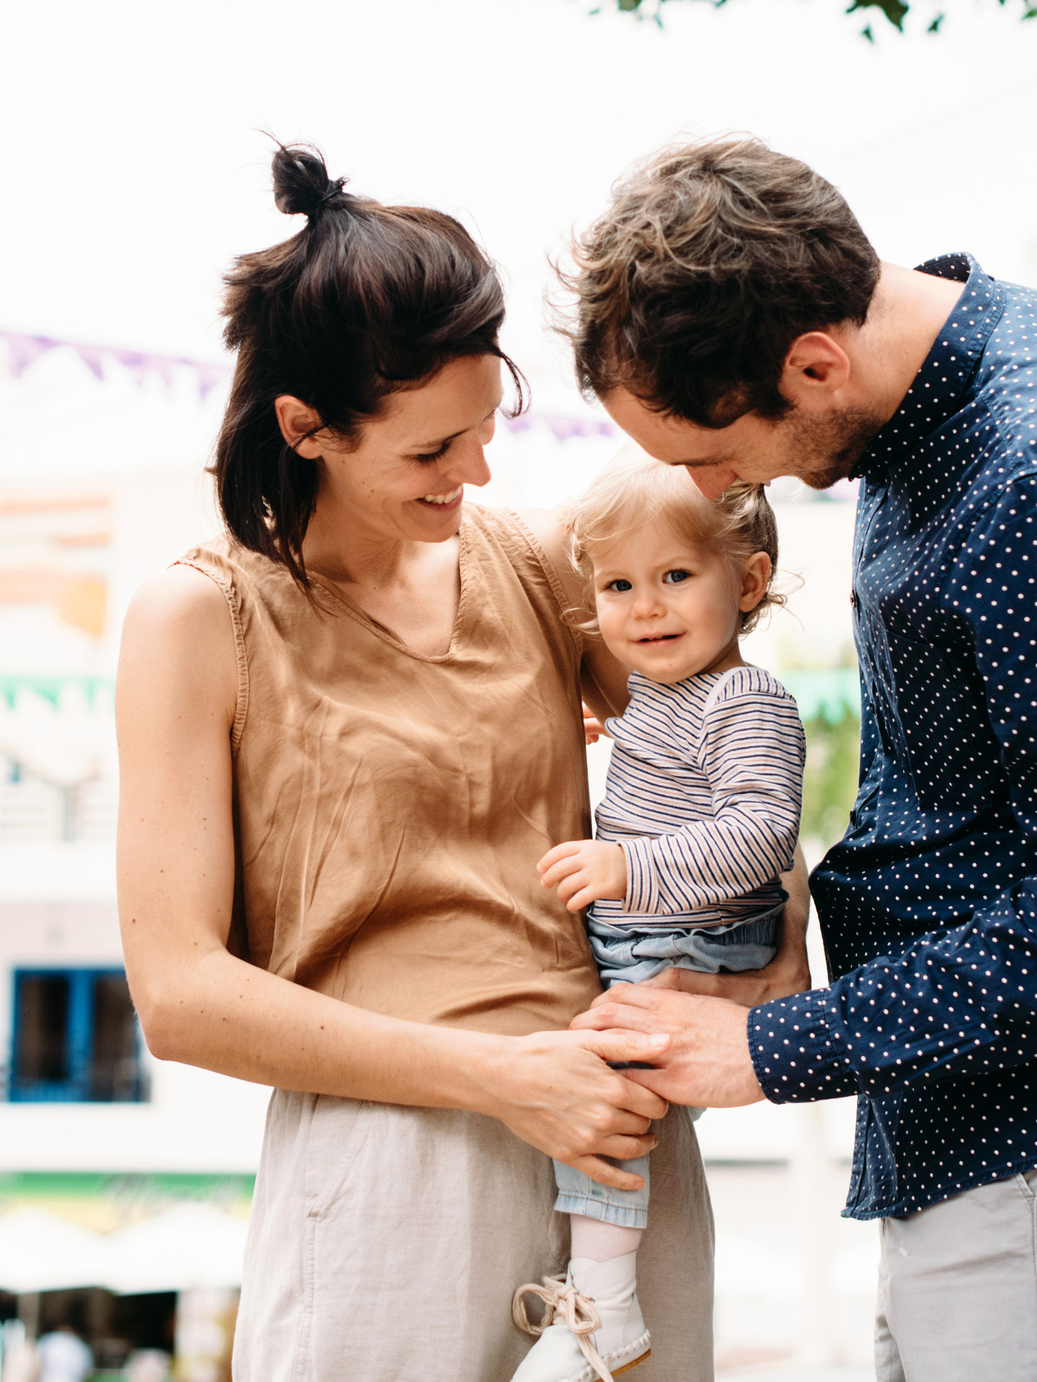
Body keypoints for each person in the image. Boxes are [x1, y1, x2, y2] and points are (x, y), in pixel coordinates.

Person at [564, 137, 1037, 1382]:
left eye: (711, 451)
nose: (704, 484)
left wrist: (773, 1050)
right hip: (985, 1140)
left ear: (813, 361)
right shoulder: (929, 406)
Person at [117, 145, 773, 1382]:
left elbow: (739, 748)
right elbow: (179, 992)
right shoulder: (198, 622)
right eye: (431, 452)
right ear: (306, 429)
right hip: (389, 1167)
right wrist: (505, 1077)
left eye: (483, 432)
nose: (473, 475)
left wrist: (756, 993)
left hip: (618, 1151)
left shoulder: (533, 565)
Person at [510, 459, 807, 1382]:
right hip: (661, 924)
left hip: (697, 932)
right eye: (619, 585)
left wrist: (626, 863)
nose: (647, 606)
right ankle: (598, 1289)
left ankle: (606, 1303)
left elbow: (760, 835)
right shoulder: (658, 696)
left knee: (608, 1075)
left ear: (747, 581)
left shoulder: (746, 698)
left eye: (676, 575)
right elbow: (675, 770)